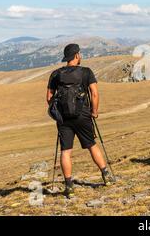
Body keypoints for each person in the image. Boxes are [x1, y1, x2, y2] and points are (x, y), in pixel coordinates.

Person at [47, 44, 115, 198]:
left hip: (64, 119)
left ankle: (69, 186)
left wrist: (58, 112)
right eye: (79, 54)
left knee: (66, 151)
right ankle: (106, 175)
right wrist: (94, 112)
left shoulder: (56, 74)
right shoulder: (86, 72)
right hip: (83, 115)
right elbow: (95, 94)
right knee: (91, 145)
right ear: (76, 55)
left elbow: (49, 98)